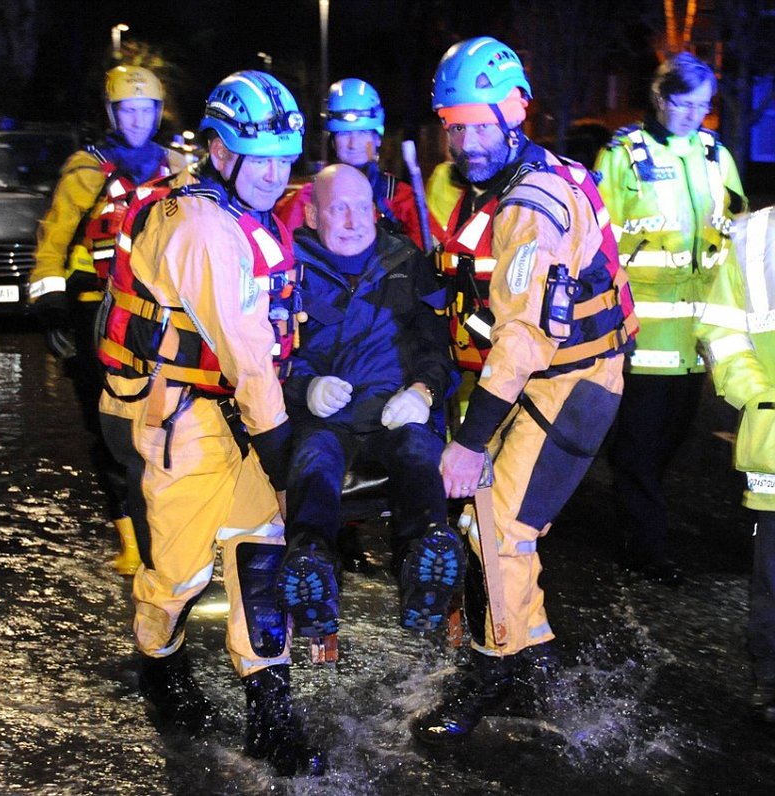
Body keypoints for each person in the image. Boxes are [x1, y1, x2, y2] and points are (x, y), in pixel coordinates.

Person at [95, 70, 325, 777]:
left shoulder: (244, 214)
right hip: (185, 419)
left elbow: (270, 339)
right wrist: (285, 453)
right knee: (178, 574)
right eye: (261, 158)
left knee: (261, 555)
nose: (275, 173)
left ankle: (271, 713)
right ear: (220, 151)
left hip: (242, 418)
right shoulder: (198, 226)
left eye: (286, 158)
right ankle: (158, 663)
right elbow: (248, 354)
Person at [410, 36, 637, 749]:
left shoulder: (530, 202)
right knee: (489, 527)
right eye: (454, 124)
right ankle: (531, 656)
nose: (466, 140)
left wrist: (470, 443)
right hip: (536, 377)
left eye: (479, 124)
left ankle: (494, 668)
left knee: (501, 527)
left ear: (513, 112)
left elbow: (521, 338)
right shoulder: (499, 185)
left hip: (569, 379)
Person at [275, 163, 461, 639]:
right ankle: (311, 564)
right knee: (314, 461)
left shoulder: (406, 262)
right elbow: (263, 356)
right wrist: (303, 389)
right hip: (326, 418)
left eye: (363, 207)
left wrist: (424, 393)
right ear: (313, 214)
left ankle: (425, 563)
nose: (356, 221)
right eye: (340, 209)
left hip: (396, 409)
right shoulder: (286, 266)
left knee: (419, 454)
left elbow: (437, 347)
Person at [594, 53, 748, 583]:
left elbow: (736, 229)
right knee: (637, 451)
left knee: (668, 447)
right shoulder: (622, 157)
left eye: (704, 106)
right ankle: (646, 548)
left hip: (697, 339)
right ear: (660, 99)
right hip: (642, 336)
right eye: (685, 104)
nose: (694, 116)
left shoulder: (713, 154)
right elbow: (596, 244)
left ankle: (641, 525)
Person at [30, 64, 172, 575]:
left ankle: (170, 526)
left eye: (144, 110)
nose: (136, 119)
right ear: (113, 113)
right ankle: (131, 540)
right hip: (96, 310)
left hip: (160, 313)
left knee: (169, 422)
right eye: (127, 110)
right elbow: (52, 243)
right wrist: (50, 307)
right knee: (108, 425)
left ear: (157, 113)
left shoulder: (177, 170)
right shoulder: (86, 170)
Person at [695, 206, 775, 723]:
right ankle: (771, 680)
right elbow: (723, 332)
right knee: (773, 577)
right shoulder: (755, 236)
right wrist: (760, 398)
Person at [275, 78, 423, 248]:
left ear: (377, 139)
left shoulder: (401, 198)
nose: (354, 144)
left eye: (362, 132)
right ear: (333, 142)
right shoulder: (308, 198)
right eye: (344, 134)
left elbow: (425, 257)